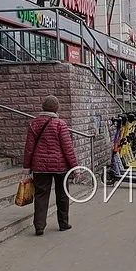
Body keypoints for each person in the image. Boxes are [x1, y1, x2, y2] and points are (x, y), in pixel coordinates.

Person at [22, 95, 80, 236]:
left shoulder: (34, 123)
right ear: (57, 108)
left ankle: (39, 226)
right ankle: (63, 223)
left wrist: (26, 166)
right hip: (60, 166)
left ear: (43, 107)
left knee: (41, 195)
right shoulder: (60, 124)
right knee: (62, 195)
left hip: (39, 166)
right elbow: (67, 148)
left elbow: (29, 147)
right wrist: (75, 168)